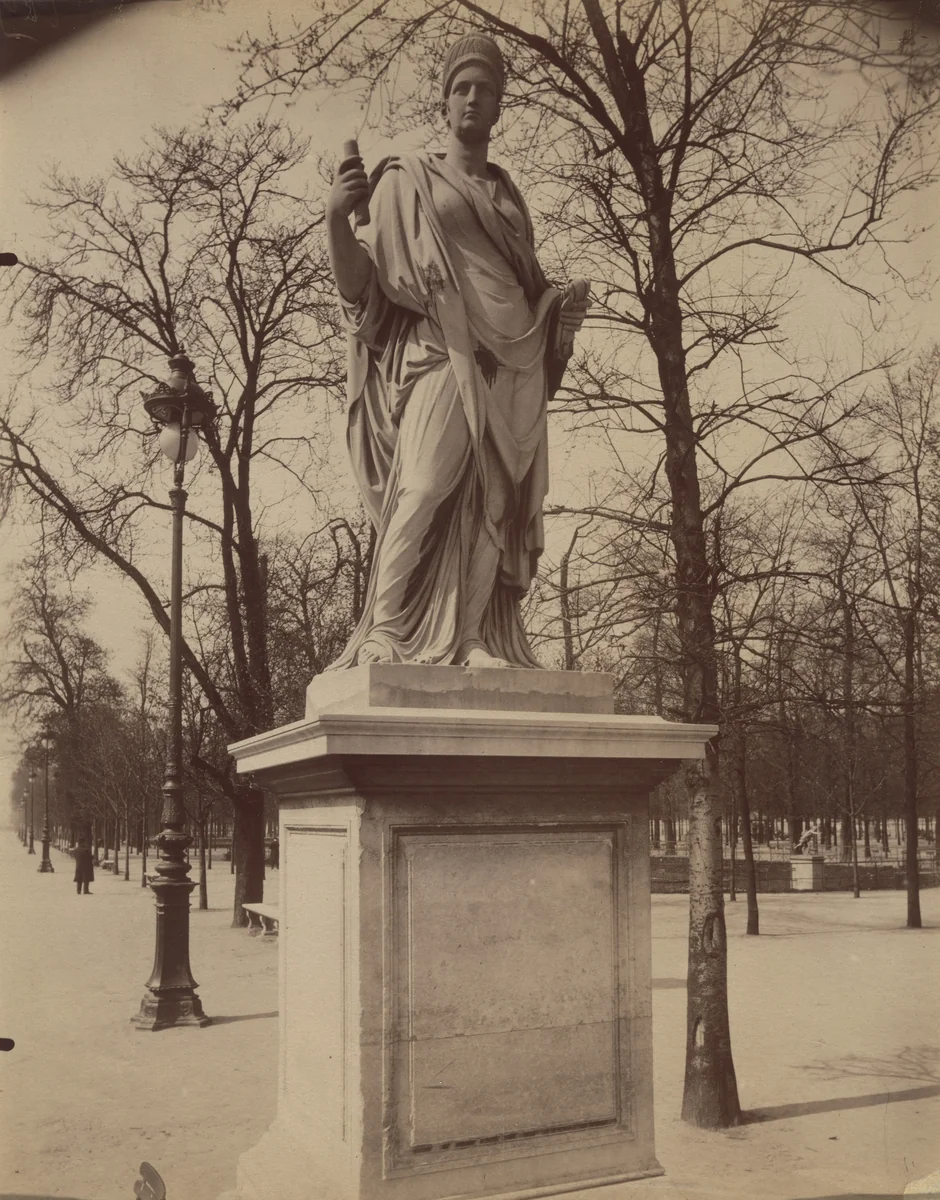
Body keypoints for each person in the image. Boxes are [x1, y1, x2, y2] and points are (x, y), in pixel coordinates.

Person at [325, 33, 590, 669]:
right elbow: (364, 290)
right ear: (444, 103)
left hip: (517, 358)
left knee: (493, 506)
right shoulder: (406, 179)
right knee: (422, 487)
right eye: (461, 88)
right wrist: (337, 220)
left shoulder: (506, 193)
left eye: (486, 90)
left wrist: (560, 313)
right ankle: (385, 630)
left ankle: (472, 635)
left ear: (500, 107)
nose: (473, 99)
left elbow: (525, 284)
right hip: (444, 350)